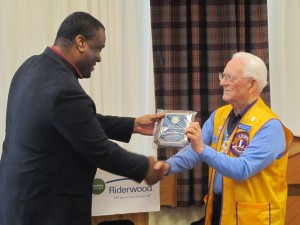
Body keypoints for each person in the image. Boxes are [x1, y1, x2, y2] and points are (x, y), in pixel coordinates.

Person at [0, 12, 165, 225]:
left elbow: (77, 121)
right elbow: (100, 150)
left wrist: (133, 125)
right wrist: (145, 168)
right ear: (80, 42)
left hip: (17, 204)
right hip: (45, 209)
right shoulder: (64, 90)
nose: (99, 57)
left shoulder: (31, 67)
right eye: (98, 48)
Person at [155, 52, 293, 225]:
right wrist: (167, 166)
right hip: (220, 209)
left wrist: (202, 149)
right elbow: (194, 151)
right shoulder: (219, 115)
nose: (222, 82)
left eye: (231, 77)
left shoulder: (269, 126)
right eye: (223, 75)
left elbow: (242, 169)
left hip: (252, 218)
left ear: (252, 84)